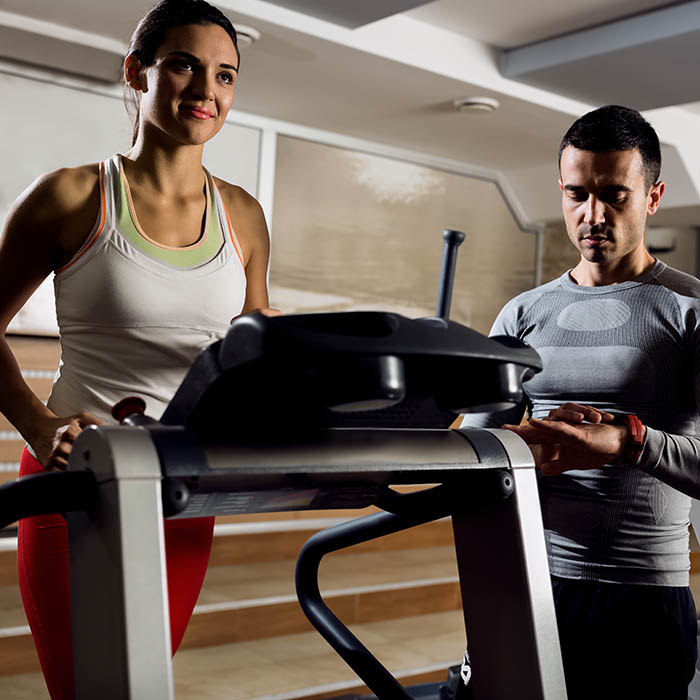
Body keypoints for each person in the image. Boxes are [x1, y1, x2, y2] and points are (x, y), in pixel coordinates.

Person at [0, 1, 276, 697]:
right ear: (137, 72)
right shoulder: (73, 194)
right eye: (183, 64)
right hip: (77, 482)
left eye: (225, 75)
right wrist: (39, 424)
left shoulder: (241, 214)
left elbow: (259, 347)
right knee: (87, 685)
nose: (206, 91)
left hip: (185, 484)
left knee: (145, 682)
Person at [459, 105, 699, 700]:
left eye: (615, 195)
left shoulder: (689, 311)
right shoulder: (522, 313)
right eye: (576, 195)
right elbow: (477, 451)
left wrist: (627, 440)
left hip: (643, 597)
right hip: (532, 584)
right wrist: (524, 441)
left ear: (653, 196)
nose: (592, 215)